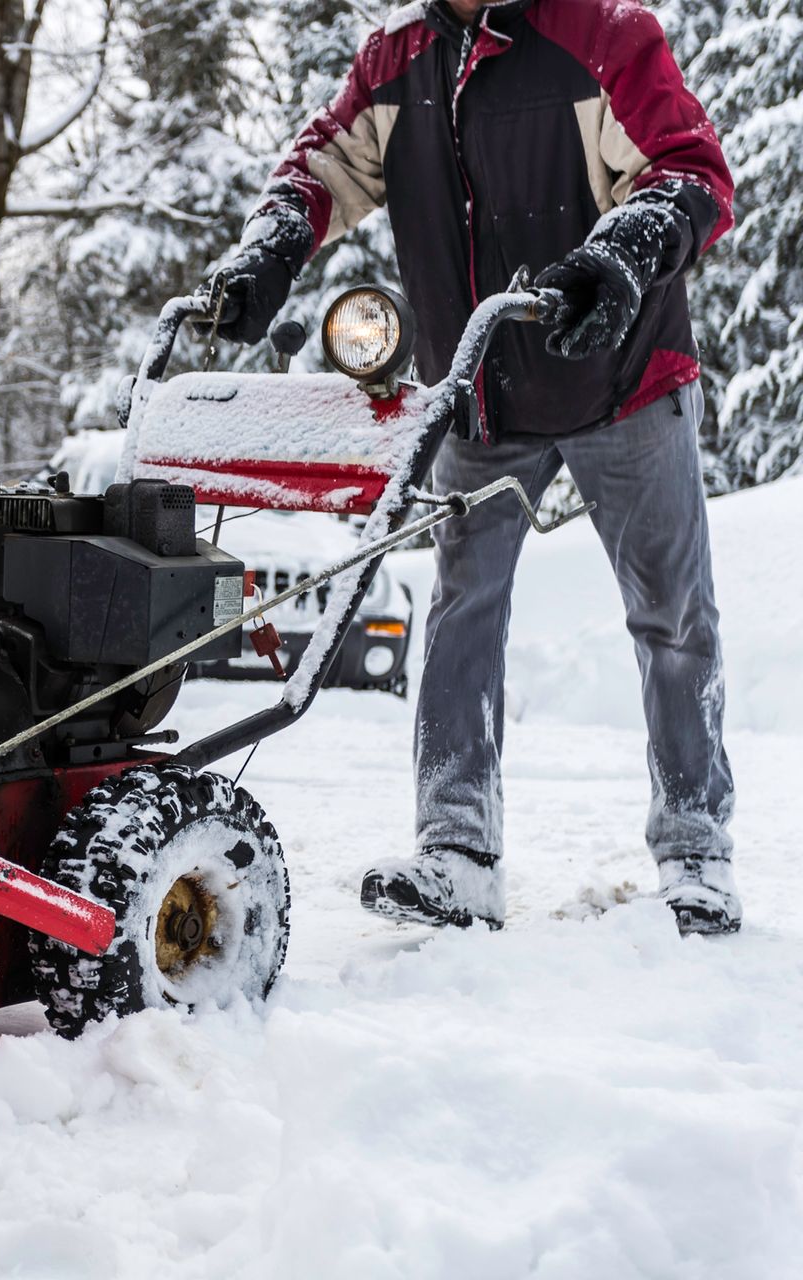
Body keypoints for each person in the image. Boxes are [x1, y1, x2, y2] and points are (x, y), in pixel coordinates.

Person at [208, 0, 739, 935]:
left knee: (673, 615)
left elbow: (692, 171)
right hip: (482, 391)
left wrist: (620, 256)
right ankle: (458, 850)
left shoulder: (603, 34)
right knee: (462, 612)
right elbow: (319, 168)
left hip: (623, 376)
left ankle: (696, 852)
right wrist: (275, 249)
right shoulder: (395, 62)